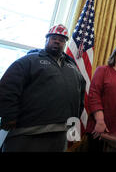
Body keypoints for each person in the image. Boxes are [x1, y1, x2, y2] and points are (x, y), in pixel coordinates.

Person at [0, 24, 86, 152]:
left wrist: (74, 121)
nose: (57, 41)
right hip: (28, 131)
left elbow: (80, 96)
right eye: (53, 38)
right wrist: (9, 115)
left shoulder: (73, 68)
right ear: (46, 39)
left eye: (61, 39)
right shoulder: (28, 61)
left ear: (65, 43)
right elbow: (8, 87)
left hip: (61, 132)